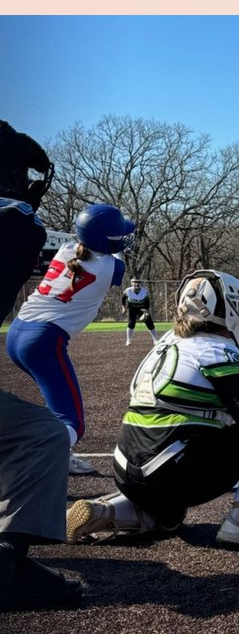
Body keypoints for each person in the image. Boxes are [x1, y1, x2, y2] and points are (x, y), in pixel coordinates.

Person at [66, 270, 239, 547]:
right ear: (223, 308)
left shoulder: (169, 342)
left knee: (168, 518)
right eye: (238, 306)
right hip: (170, 471)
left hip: (126, 470)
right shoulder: (217, 352)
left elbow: (232, 334)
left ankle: (106, 511)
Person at [0, 118, 83, 608]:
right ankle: (8, 559)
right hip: (43, 336)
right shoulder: (16, 220)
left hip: (25, 333)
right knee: (46, 432)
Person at [6, 202, 135, 474]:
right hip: (43, 340)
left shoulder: (67, 251)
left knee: (56, 405)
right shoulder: (109, 268)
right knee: (72, 421)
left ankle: (61, 457)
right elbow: (117, 257)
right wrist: (118, 242)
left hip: (18, 333)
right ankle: (30, 461)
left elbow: (95, 247)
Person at [122, 277, 158, 346]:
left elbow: (147, 303)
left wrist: (146, 311)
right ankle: (128, 340)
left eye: (138, 282)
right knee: (131, 323)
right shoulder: (128, 291)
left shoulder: (144, 292)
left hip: (142, 308)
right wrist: (123, 307)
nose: (136, 284)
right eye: (134, 282)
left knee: (149, 323)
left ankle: (155, 340)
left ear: (140, 283)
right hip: (132, 308)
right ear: (131, 283)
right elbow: (123, 298)